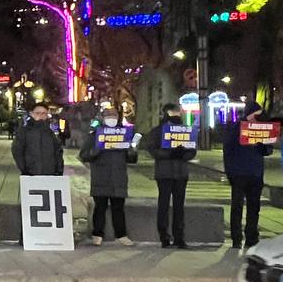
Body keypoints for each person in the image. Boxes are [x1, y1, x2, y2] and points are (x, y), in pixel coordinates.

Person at [79, 109, 138, 246]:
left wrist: (131, 150)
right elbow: (84, 155)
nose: (111, 118)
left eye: (114, 116)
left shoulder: (125, 135)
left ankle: (121, 235)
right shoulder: (95, 135)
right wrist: (96, 151)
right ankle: (97, 234)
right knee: (100, 207)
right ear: (103, 118)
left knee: (118, 207)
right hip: (101, 177)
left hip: (118, 177)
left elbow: (132, 158)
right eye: (108, 116)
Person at [222, 100, 273, 250]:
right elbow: (228, 150)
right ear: (250, 115)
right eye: (257, 114)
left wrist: (262, 144)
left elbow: (267, 150)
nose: (260, 117)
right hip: (239, 174)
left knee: (254, 207)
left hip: (255, 174)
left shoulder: (261, 128)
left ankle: (251, 237)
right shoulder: (237, 128)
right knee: (237, 207)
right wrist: (230, 172)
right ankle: (236, 238)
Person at [147, 102, 196, 248]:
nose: (176, 115)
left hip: (181, 173)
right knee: (163, 204)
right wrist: (169, 153)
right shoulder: (158, 131)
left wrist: (183, 154)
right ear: (166, 114)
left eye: (178, 113)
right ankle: (164, 236)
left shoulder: (186, 130)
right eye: (173, 113)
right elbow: (152, 150)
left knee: (179, 206)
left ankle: (179, 236)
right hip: (164, 172)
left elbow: (193, 150)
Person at [11, 102, 64, 176]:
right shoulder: (24, 131)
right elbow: (17, 150)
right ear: (32, 114)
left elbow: (58, 152)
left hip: (50, 174)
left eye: (44, 113)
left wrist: (59, 170)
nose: (40, 115)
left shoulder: (50, 133)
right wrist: (24, 169)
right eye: (37, 113)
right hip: (31, 174)